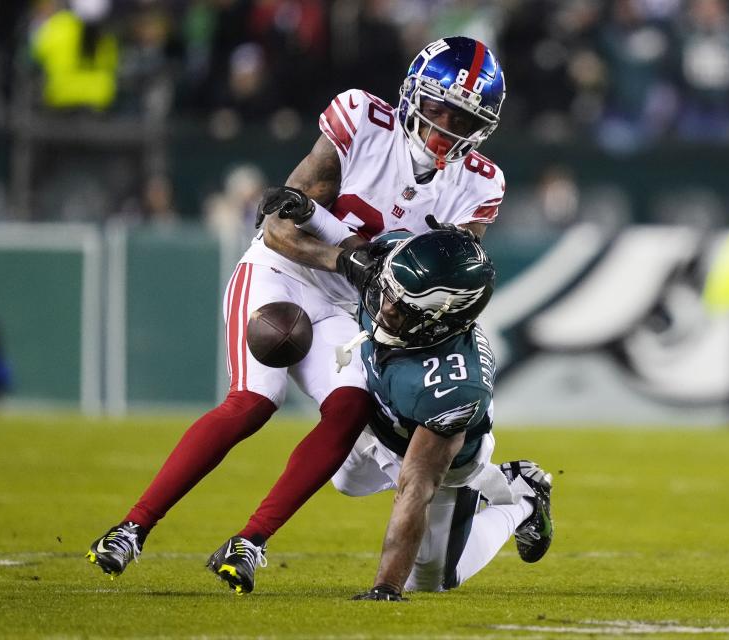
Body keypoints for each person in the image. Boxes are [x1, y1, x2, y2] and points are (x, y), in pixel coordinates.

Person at [86, 36, 507, 578]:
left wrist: (377, 281)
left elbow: (453, 272)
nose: (446, 129)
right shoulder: (361, 121)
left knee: (351, 408)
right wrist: (346, 260)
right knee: (255, 400)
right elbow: (280, 225)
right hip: (281, 273)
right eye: (439, 109)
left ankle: (251, 540)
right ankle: (133, 527)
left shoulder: (479, 183)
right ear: (410, 96)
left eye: (464, 120)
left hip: (355, 309)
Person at [208, 230, 554, 598]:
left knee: (431, 579)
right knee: (347, 481)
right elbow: (316, 246)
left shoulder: (453, 387)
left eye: (403, 308)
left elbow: (416, 485)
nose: (384, 307)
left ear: (441, 320)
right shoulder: (393, 260)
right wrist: (303, 217)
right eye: (387, 292)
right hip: (384, 415)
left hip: (436, 455)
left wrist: (386, 587)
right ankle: (498, 482)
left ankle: (523, 498)